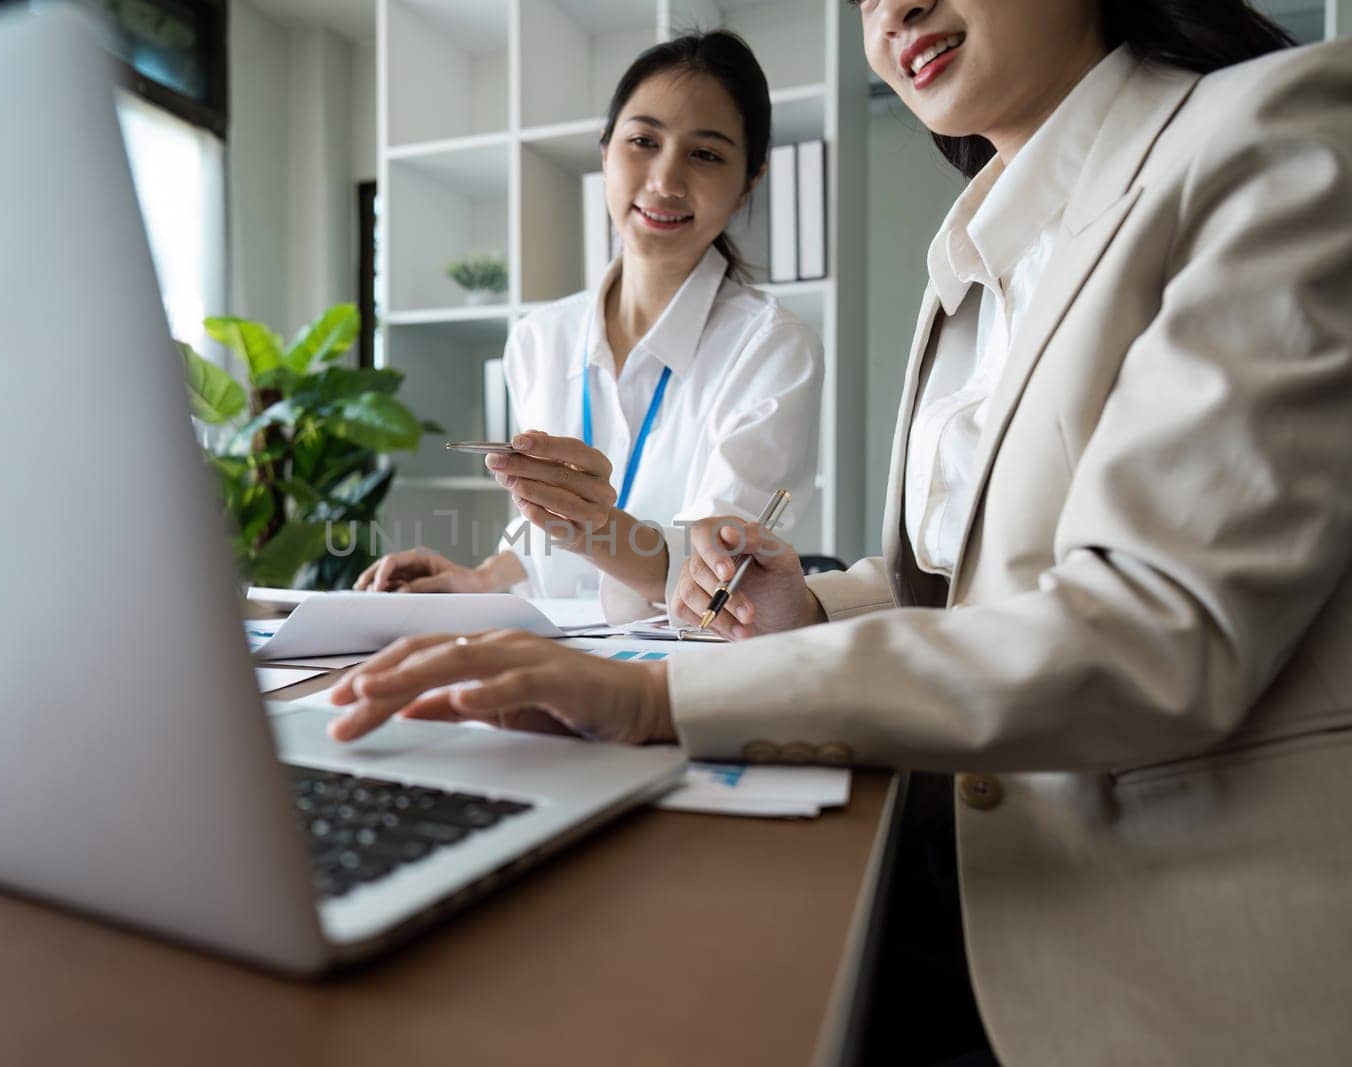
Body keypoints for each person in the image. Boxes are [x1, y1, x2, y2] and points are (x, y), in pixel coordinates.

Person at [325, 0, 1352, 1062]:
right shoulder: (971, 250)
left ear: (748, 181)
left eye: (706, 152)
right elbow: (959, 586)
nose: (895, 8)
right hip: (945, 843)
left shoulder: (1268, 130)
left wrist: (653, 696)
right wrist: (812, 599)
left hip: (1141, 935)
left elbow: (1150, 627)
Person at [354, 31, 821, 621]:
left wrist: (590, 524)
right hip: (546, 654)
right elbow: (542, 558)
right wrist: (477, 579)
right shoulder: (538, 339)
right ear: (605, 151)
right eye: (643, 141)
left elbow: (716, 575)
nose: (665, 181)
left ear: (750, 179)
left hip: (677, 670)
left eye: (705, 154)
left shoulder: (773, 348)